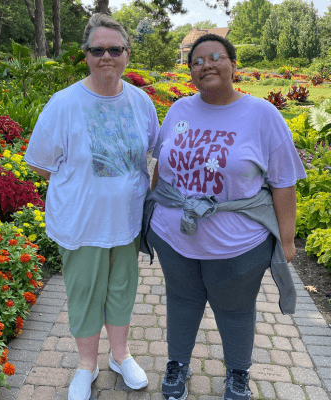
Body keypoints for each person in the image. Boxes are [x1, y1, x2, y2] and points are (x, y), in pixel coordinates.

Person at [142, 33, 306, 400]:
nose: (206, 65)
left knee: (235, 311)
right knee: (181, 301)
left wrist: (287, 238)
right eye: (197, 61)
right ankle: (177, 365)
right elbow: (162, 167)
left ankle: (237, 374)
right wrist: (154, 214)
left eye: (216, 57)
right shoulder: (180, 109)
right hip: (175, 238)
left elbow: (283, 182)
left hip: (239, 244)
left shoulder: (263, 115)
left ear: (234, 65)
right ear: (190, 73)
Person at [24, 13, 159, 400]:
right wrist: (84, 188)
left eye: (114, 49)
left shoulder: (140, 101)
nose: (106, 56)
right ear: (85, 55)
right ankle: (87, 364)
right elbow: (40, 163)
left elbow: (153, 152)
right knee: (84, 294)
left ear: (127, 54)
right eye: (97, 49)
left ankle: (120, 355)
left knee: (121, 291)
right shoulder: (64, 103)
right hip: (81, 224)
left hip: (128, 223)